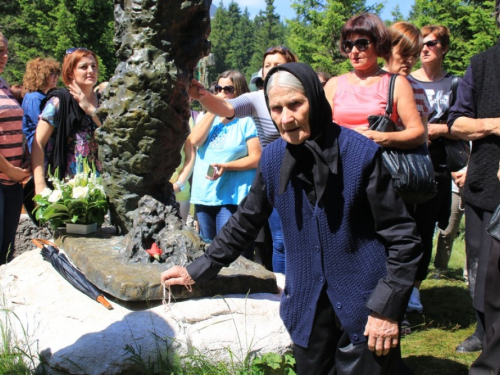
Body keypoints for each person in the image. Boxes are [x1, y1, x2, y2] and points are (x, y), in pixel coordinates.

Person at [162, 62, 422, 375]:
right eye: (276, 108)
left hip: (365, 312)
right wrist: (197, 270)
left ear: (316, 99)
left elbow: (404, 239)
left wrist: (387, 308)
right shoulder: (273, 159)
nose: (285, 118)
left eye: (295, 105)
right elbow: (245, 222)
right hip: (308, 312)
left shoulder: (361, 155)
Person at [188, 46, 299, 273]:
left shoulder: (302, 93)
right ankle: (280, 293)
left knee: (292, 242)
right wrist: (204, 96)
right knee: (278, 242)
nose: (272, 69)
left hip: (301, 176)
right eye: (267, 65)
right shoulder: (256, 100)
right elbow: (223, 110)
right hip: (274, 179)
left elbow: (255, 156)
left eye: (277, 65)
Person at [448, 1, 500, 359]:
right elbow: (457, 122)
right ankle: (484, 331)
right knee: (482, 266)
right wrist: (496, 124)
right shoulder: (482, 64)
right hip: (487, 184)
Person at [409, 24, 463, 323]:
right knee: (399, 229)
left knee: (425, 230)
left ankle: (415, 290)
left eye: (431, 44)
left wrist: (437, 130)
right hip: (405, 166)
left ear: (443, 47)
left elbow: (465, 121)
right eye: (421, 44)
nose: (425, 49)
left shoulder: (455, 84)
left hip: (438, 168)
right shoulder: (403, 80)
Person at [324, 13, 426, 151]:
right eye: (348, 45)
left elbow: (418, 133)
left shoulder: (396, 83)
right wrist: (346, 135)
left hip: (379, 165)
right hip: (339, 165)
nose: (354, 51)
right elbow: (320, 130)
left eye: (361, 44)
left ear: (378, 44)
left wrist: (378, 138)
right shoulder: (333, 84)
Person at [189, 70, 260, 245]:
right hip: (204, 194)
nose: (222, 93)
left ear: (239, 92)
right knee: (207, 247)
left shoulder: (247, 120)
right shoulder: (207, 118)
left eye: (228, 89)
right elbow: (195, 140)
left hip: (231, 197)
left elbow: (256, 158)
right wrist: (215, 109)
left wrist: (227, 166)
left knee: (229, 247)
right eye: (218, 88)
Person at [31, 47, 102, 195]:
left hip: (101, 187)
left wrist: (89, 108)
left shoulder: (104, 102)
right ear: (70, 72)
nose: (91, 71)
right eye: (84, 67)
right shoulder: (58, 102)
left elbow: (113, 133)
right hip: (67, 189)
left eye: (94, 66)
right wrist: (39, 185)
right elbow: (38, 143)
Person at [0, 31, 31, 265]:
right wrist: (9, 169)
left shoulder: (3, 84)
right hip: (4, 177)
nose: (5, 55)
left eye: (5, 50)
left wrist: (26, 156)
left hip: (12, 183)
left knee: (6, 251)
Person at [21, 57, 61, 153]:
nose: (55, 77)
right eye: (52, 74)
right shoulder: (35, 97)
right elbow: (39, 125)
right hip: (37, 148)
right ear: (41, 76)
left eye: (56, 73)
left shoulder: (38, 95)